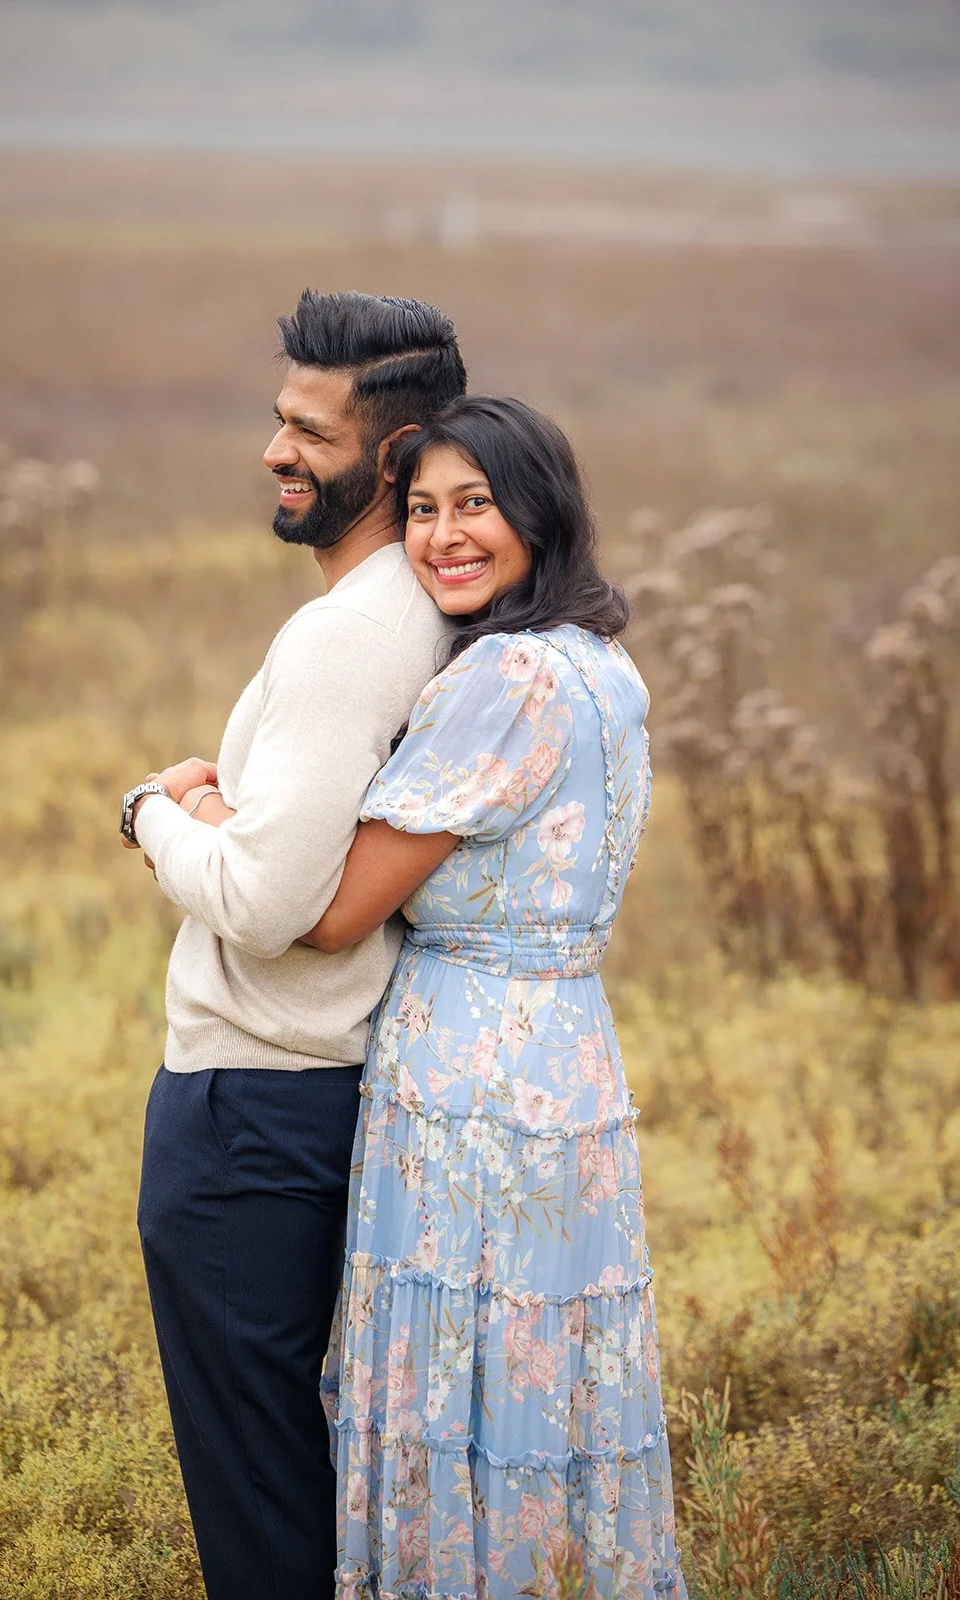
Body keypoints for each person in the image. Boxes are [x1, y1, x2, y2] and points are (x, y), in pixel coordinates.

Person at [301, 396, 687, 1598]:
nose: (441, 536)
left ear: (539, 510)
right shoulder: (598, 660)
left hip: (468, 1074)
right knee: (542, 1373)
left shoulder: (505, 674)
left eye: (474, 503)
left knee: (459, 1376)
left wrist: (192, 812)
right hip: (566, 1052)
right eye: (420, 510)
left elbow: (332, 910)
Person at [118, 290, 466, 1600]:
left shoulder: (349, 635)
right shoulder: (418, 611)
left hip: (250, 1109)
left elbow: (268, 903)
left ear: (392, 456)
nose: (275, 451)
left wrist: (152, 811)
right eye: (279, 421)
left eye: (309, 434)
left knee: (255, 1484)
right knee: (294, 1467)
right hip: (315, 1099)